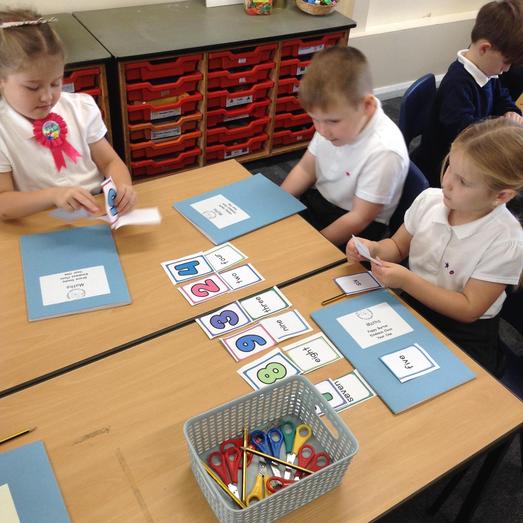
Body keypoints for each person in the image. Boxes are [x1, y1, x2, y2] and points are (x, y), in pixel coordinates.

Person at [347, 118, 523, 376]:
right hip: (414, 304)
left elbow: (469, 308)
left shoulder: (507, 241)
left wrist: (407, 281)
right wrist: (372, 248)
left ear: (501, 196)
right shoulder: (430, 200)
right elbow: (397, 247)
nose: (448, 182)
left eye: (464, 181)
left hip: (462, 333)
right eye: (450, 166)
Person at [0, 9, 137, 220]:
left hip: (97, 214)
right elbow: (4, 204)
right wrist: (53, 196)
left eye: (56, 83)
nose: (47, 96)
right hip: (41, 222)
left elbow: (110, 162)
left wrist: (123, 187)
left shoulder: (80, 108)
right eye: (32, 87)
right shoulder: (3, 130)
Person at [281, 46, 409, 248]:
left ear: (367, 106)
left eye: (332, 121)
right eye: (315, 119)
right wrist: (276, 208)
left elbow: (360, 218)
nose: (322, 130)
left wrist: (312, 247)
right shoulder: (334, 119)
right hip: (319, 201)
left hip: (354, 226)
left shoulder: (385, 152)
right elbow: (305, 170)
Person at [413, 0, 523, 186]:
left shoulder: (488, 72)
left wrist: (510, 111)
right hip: (444, 167)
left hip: (468, 153)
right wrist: (500, 128)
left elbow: (502, 96)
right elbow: (464, 134)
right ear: (484, 49)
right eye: (506, 62)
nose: (506, 69)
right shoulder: (457, 84)